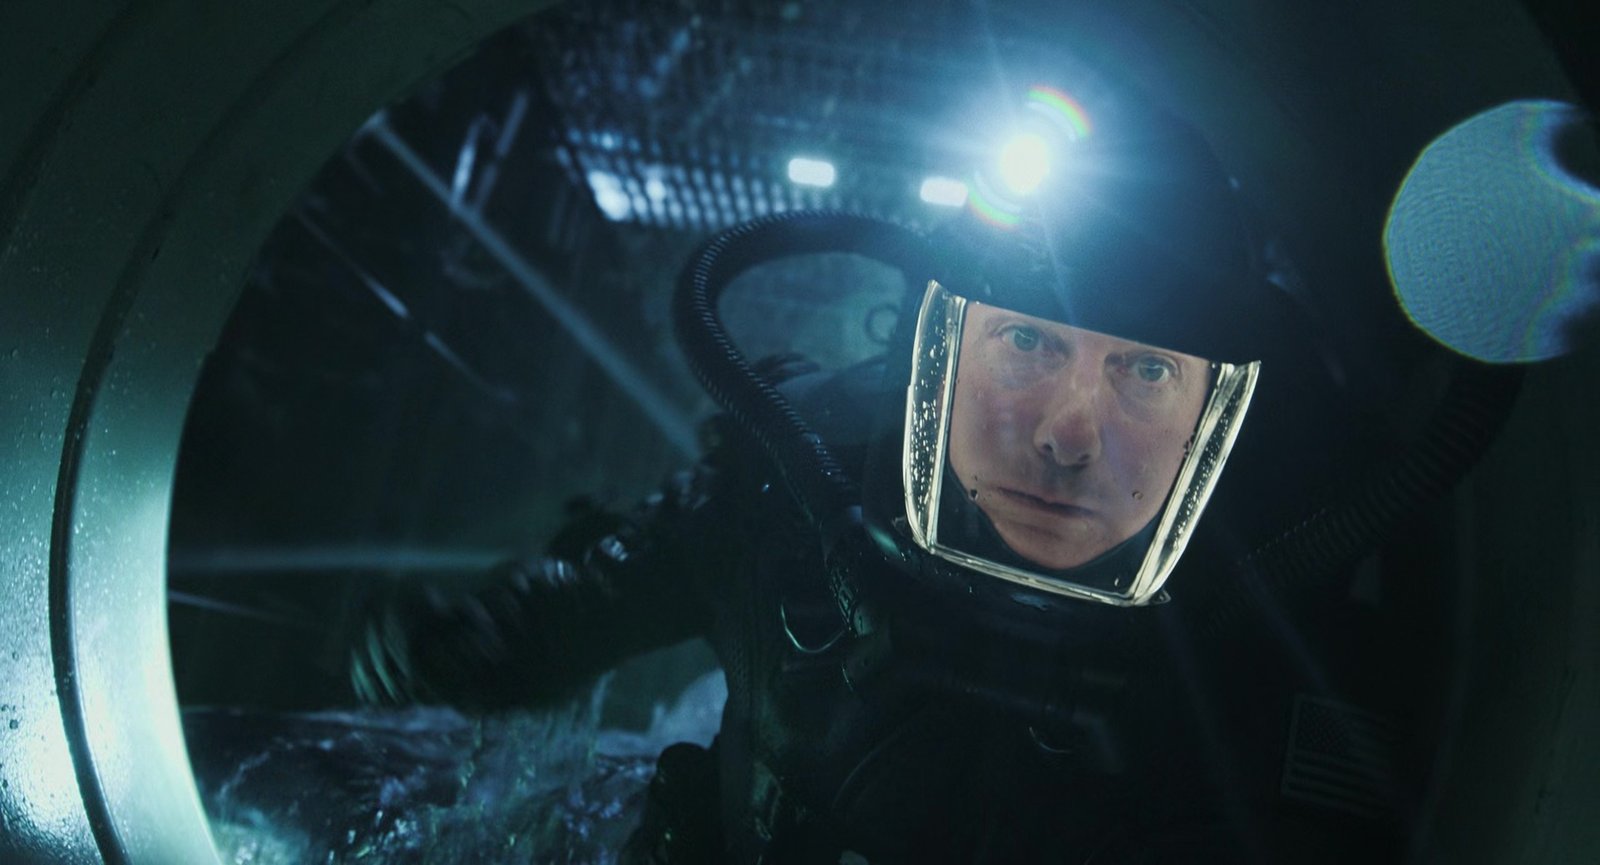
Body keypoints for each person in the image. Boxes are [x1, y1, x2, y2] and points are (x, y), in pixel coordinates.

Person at [350, 100, 1401, 864]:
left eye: (1144, 372)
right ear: (937, 352)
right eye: (1026, 344)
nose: (1067, 436)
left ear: (1215, 411)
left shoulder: (1277, 592)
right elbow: (598, 598)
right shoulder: (797, 477)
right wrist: (469, 641)